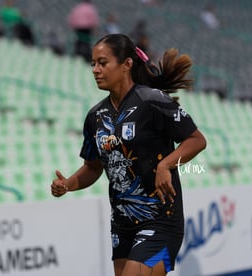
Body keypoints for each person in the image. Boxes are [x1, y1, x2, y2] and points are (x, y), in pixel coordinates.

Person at [51, 33, 207, 276]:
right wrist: (68, 184)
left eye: (103, 63)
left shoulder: (153, 101)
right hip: (122, 224)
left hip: (160, 219)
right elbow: (93, 168)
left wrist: (166, 165)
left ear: (126, 64)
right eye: (93, 64)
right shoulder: (95, 117)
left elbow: (197, 140)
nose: (95, 69)